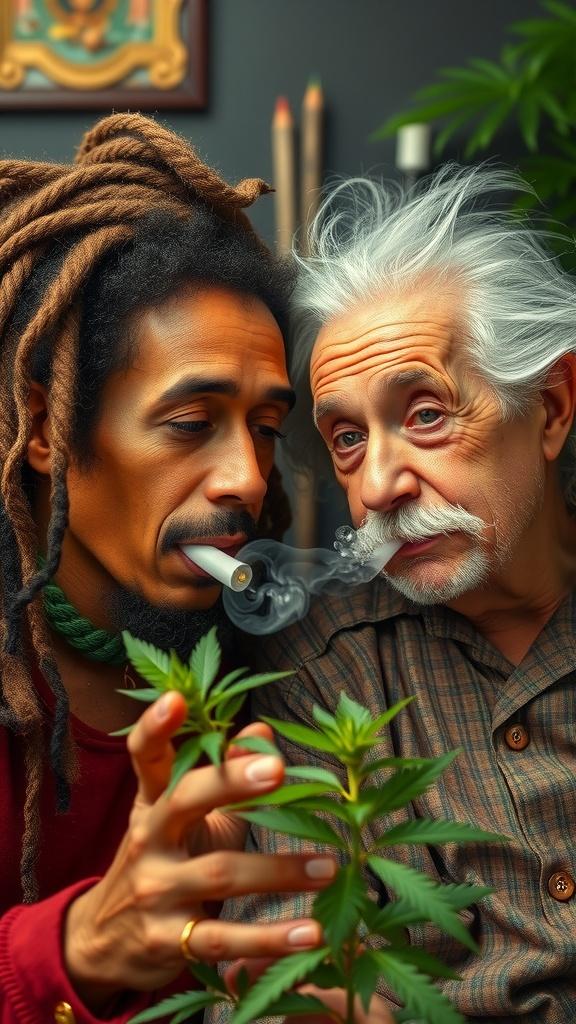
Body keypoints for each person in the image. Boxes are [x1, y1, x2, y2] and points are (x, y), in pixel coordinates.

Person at [0, 112, 354, 1024]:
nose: (245, 477)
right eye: (190, 424)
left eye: (266, 430)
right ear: (45, 428)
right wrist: (81, 947)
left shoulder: (288, 675)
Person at [218, 165, 576, 1022]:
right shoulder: (313, 673)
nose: (378, 485)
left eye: (424, 414)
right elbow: (285, 954)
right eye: (346, 437)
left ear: (554, 407)